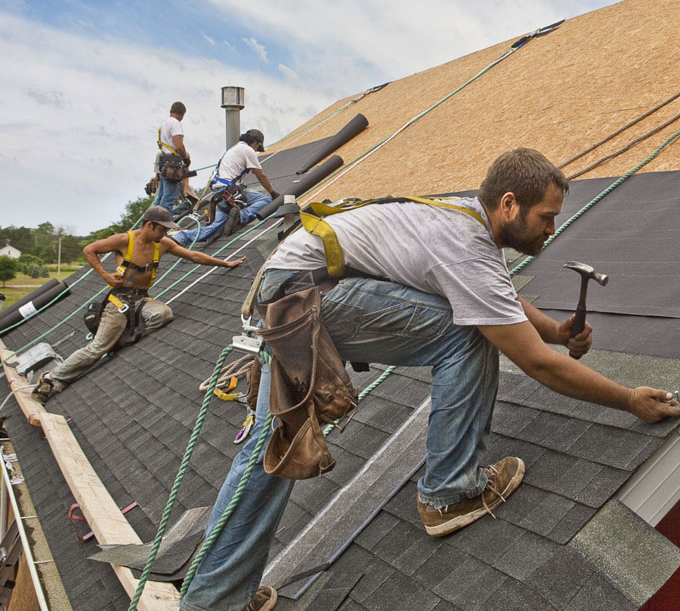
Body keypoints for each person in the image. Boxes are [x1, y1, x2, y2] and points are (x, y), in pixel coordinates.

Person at [180, 148, 680, 611]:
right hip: (307, 297)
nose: (552, 228)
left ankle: (216, 597)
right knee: (469, 334)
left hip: (291, 292)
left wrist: (553, 329)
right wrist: (628, 399)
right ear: (510, 205)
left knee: (273, 447)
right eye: (547, 216)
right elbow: (537, 364)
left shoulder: (463, 220)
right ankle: (449, 491)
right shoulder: (463, 244)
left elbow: (493, 290)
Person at [31, 206, 245, 404]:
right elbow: (89, 250)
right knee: (97, 349)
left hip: (141, 299)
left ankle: (124, 338)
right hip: (119, 302)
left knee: (164, 314)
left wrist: (225, 263)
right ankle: (51, 379)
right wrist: (105, 276)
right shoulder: (124, 240)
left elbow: (193, 256)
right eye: (161, 229)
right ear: (149, 225)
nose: (164, 234)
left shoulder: (163, 244)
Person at [172, 130, 279, 248]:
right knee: (266, 201)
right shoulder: (248, 150)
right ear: (255, 142)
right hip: (230, 190)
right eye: (257, 147)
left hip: (222, 192)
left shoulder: (234, 149)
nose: (256, 151)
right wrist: (273, 193)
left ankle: (181, 236)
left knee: (217, 228)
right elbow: (260, 175)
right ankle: (241, 216)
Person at [157, 101, 191, 216]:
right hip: (172, 165)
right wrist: (185, 157)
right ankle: (162, 227)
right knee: (169, 198)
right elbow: (179, 144)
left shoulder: (164, 124)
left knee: (161, 197)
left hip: (164, 162)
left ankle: (153, 220)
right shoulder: (175, 123)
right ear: (182, 114)